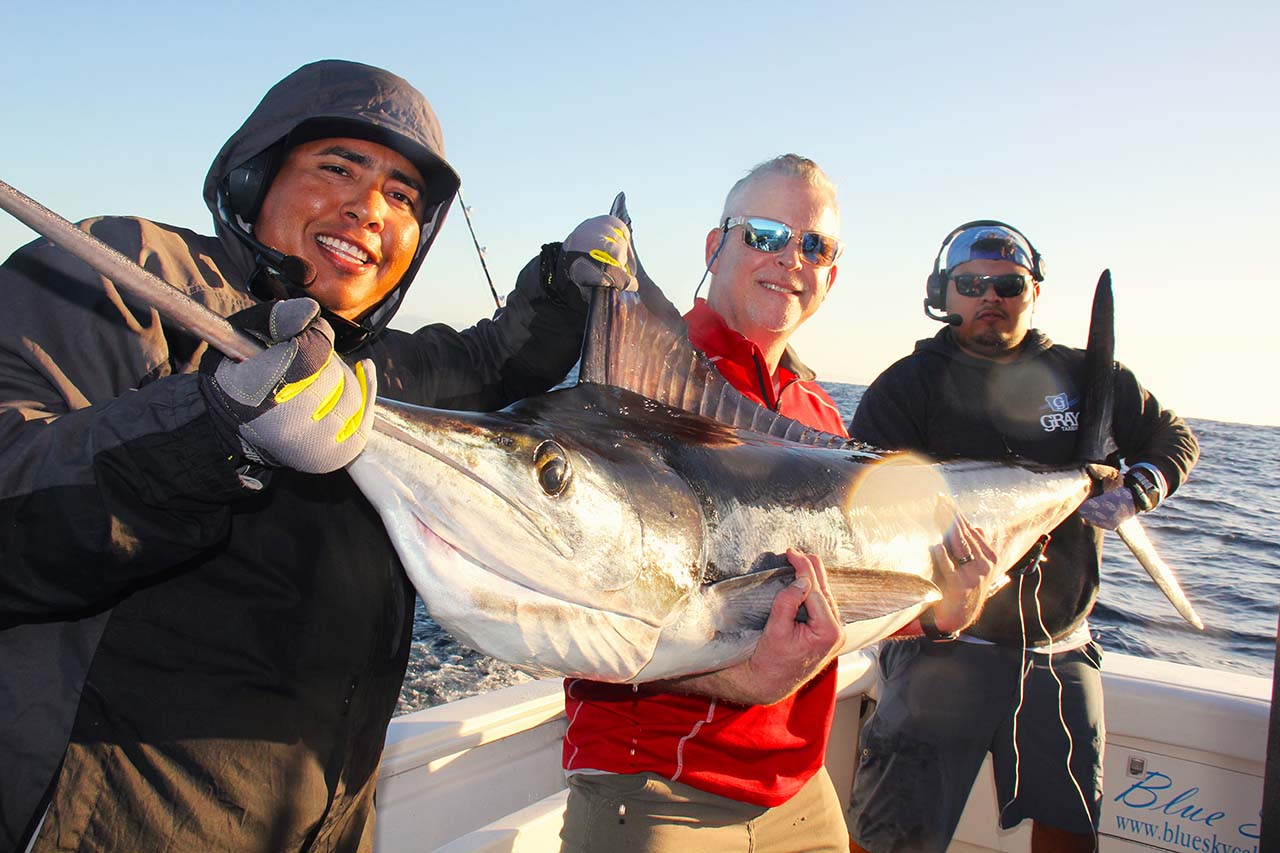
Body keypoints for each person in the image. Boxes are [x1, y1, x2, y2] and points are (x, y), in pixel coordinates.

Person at [0, 59, 637, 852]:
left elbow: (491, 361)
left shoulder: (371, 369)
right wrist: (213, 426)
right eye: (338, 167)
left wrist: (563, 284)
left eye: (403, 197)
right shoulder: (129, 273)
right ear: (256, 177)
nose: (369, 208)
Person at [558, 157, 999, 852]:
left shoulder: (819, 414)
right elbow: (586, 599)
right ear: (715, 246)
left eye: (814, 245)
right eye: (764, 234)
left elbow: (836, 596)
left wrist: (941, 613)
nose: (791, 258)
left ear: (832, 275)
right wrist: (745, 677)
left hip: (799, 788)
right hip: (657, 787)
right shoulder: (640, 380)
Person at [845, 220, 1200, 852]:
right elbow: (865, 505)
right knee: (894, 837)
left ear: (1033, 292)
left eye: (1008, 285)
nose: (991, 296)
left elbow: (1173, 437)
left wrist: (1140, 487)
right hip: (939, 651)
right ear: (943, 293)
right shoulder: (906, 386)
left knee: (1071, 828)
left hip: (1061, 650)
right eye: (971, 283)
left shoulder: (1090, 377)